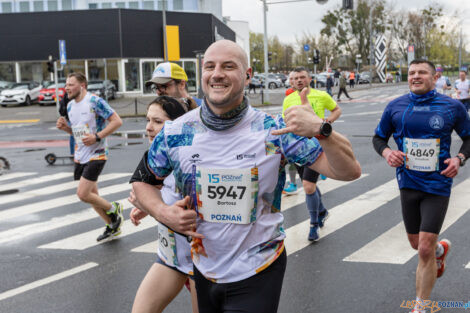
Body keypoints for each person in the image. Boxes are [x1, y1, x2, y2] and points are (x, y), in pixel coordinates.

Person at [134, 40, 361, 313]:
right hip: (204, 268)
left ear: (248, 75)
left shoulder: (273, 130)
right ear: (202, 75)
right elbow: (143, 181)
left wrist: (322, 130)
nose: (217, 73)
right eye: (210, 66)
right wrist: (162, 212)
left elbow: (348, 171)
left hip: (258, 267)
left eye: (228, 66)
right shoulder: (176, 132)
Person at [373, 59, 470, 313]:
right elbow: (378, 138)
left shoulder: (452, 106)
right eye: (412, 72)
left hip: (438, 183)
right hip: (408, 182)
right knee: (417, 244)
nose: (415, 76)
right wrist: (387, 154)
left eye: (422, 73)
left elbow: (469, 138)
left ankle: (420, 306)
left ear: (434, 77)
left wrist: (459, 159)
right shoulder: (396, 107)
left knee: (423, 248)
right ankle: (440, 250)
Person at [128, 96, 199, 313]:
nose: (149, 128)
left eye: (157, 122)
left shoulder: (193, 157)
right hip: (171, 258)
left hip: (201, 262)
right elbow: (159, 189)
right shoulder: (157, 160)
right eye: (148, 120)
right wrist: (150, 207)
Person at [56, 72, 124, 242]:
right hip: (81, 155)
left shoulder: (94, 101)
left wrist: (97, 137)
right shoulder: (70, 107)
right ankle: (112, 225)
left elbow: (117, 121)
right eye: (66, 85)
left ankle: (113, 207)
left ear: (82, 85)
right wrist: (66, 129)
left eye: (71, 84)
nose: (67, 88)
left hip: (97, 153)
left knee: (83, 194)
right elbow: (78, 134)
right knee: (93, 196)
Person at [283, 66, 342, 241]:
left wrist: (327, 121)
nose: (299, 80)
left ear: (310, 79)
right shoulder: (288, 100)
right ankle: (322, 211)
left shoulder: (321, 95)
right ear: (291, 82)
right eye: (295, 78)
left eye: (302, 77)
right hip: (297, 149)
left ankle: (314, 225)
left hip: (317, 147)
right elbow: (286, 122)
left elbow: (337, 110)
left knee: (308, 186)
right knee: (310, 186)